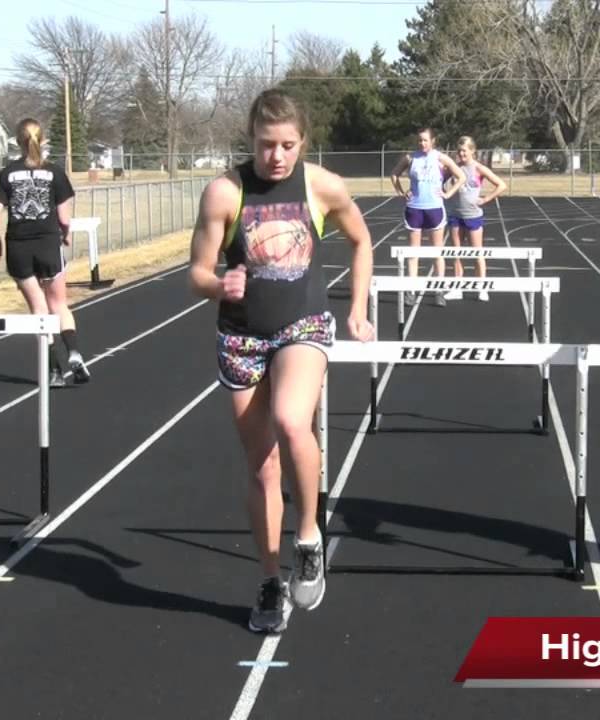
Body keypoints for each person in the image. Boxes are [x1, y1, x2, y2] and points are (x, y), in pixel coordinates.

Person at [188, 89, 375, 633]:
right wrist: (219, 284)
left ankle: (310, 536)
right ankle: (270, 581)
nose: (277, 156)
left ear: (302, 142)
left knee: (295, 420)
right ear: (251, 140)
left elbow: (362, 242)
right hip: (242, 336)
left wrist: (357, 310)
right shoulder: (226, 193)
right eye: (267, 145)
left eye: (287, 145)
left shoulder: (323, 187)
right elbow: (195, 272)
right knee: (262, 466)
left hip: (303, 324)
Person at [0, 118, 90, 387]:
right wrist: (65, 235)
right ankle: (75, 352)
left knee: (38, 309)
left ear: (18, 142)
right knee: (59, 304)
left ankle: (54, 370)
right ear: (42, 141)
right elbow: (65, 219)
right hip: (47, 244)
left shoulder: (6, 174)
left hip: (19, 247)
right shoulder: (55, 172)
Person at [389, 127, 464, 307]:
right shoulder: (410, 158)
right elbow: (394, 174)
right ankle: (411, 291)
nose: (422, 143)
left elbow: (461, 176)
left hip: (434, 209)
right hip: (414, 209)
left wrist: (448, 194)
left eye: (425, 140)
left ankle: (439, 290)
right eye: (420, 140)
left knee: (437, 251)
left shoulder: (440, 158)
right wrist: (401, 192)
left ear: (433, 141)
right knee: (413, 252)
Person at [444, 135, 507, 301]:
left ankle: (482, 287)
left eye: (464, 151)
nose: (461, 154)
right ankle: (457, 287)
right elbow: (439, 181)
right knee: (456, 253)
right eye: (459, 151)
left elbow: (501, 185)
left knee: (477, 252)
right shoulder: (453, 167)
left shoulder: (478, 168)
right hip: (455, 215)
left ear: (472, 151)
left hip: (473, 216)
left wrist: (486, 199)